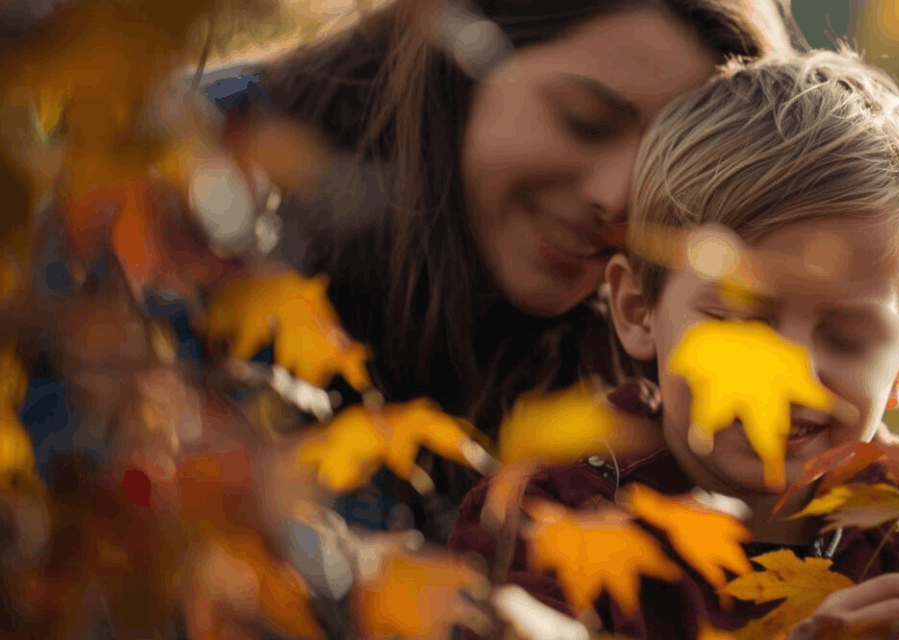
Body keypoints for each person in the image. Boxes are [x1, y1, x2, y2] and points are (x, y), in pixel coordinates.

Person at [450, 49, 899, 639]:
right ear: (637, 310)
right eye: (737, 321)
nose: (789, 372)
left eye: (847, 336)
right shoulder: (546, 518)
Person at [195, 0, 806, 540]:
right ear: (461, 53)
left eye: (666, 175)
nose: (619, 197)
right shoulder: (193, 189)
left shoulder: (634, 384)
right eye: (583, 120)